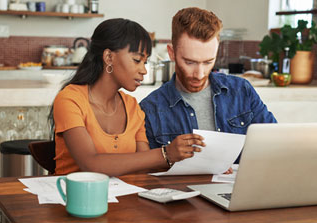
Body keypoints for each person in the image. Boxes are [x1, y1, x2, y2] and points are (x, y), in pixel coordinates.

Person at [50, 18, 205, 176]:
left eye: (145, 62)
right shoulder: (70, 100)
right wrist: (166, 153)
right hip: (72, 197)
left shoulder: (132, 106)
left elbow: (144, 165)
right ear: (109, 57)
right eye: (137, 60)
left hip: (124, 198)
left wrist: (199, 164)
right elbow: (91, 164)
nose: (143, 70)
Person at [140, 7, 277, 163]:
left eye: (208, 62)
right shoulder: (149, 109)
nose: (199, 74)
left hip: (242, 187)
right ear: (171, 53)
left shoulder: (241, 90)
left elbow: (274, 142)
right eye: (189, 62)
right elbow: (149, 174)